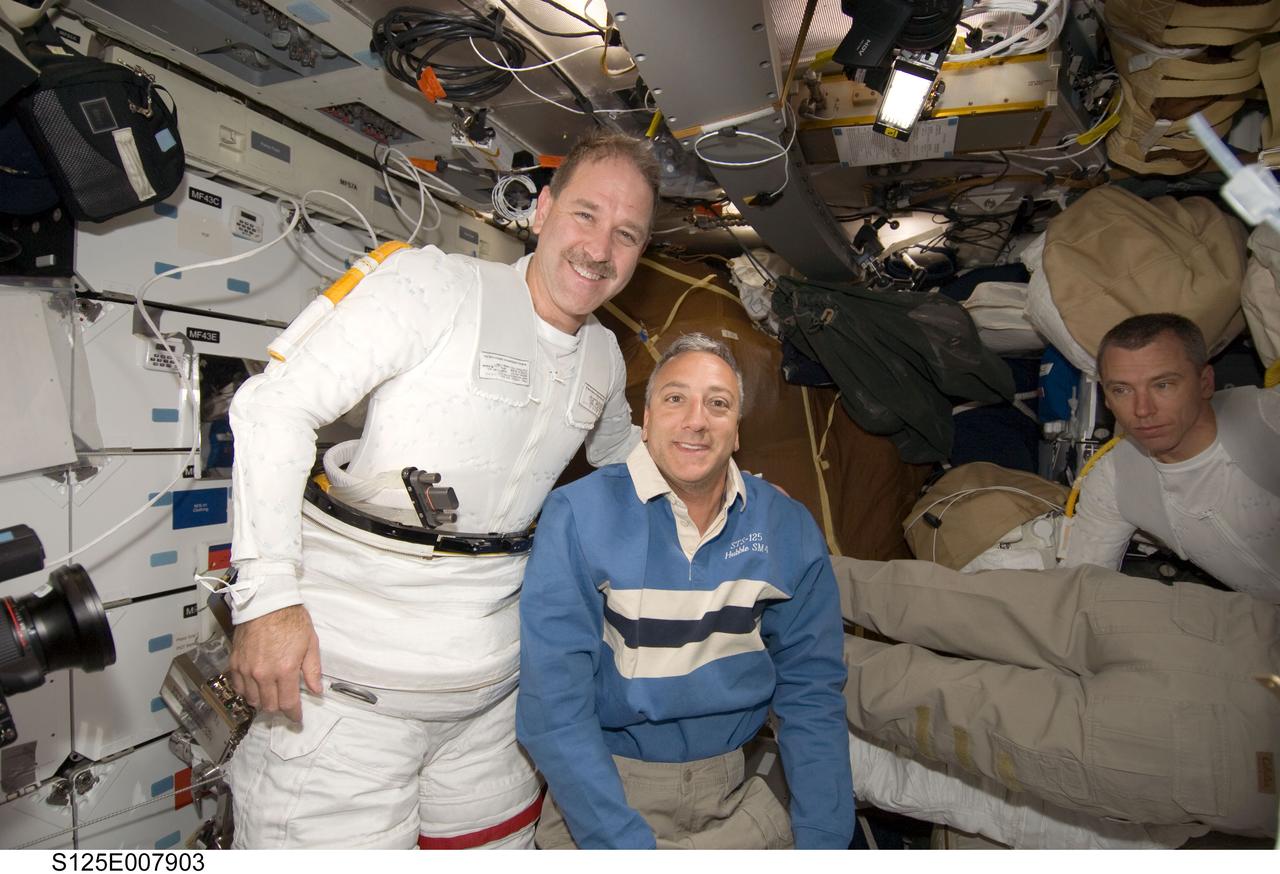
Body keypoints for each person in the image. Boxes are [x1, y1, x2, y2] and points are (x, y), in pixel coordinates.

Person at [220, 131, 659, 848]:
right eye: (585, 215)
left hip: (491, 712)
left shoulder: (604, 357)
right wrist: (266, 600)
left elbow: (624, 461)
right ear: (542, 211)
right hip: (343, 697)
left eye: (627, 234)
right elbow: (274, 406)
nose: (599, 248)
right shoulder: (431, 287)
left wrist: (723, 503)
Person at [516, 333, 855, 849]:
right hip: (604, 804)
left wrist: (825, 838)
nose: (697, 420)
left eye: (718, 404)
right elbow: (554, 708)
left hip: (737, 802)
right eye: (675, 399)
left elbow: (811, 691)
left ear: (737, 431)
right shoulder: (579, 515)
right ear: (645, 422)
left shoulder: (786, 526)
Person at [835, 556, 1280, 838]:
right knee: (939, 701)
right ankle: (777, 646)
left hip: (1233, 638)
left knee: (959, 602)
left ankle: (776, 567)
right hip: (1227, 759)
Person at [1062, 312, 1280, 600]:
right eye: (1122, 390)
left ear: (1205, 382)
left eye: (1162, 385)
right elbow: (1085, 587)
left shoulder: (1270, 419)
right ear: (1107, 399)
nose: (1142, 410)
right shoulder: (1115, 478)